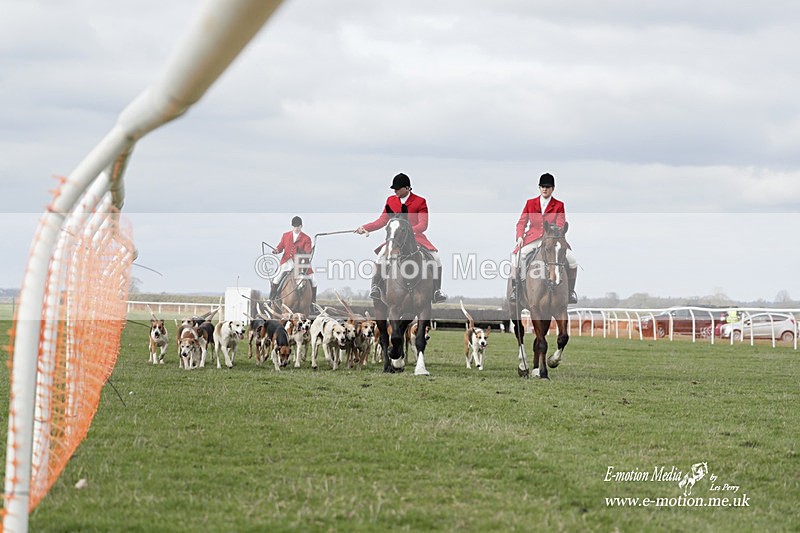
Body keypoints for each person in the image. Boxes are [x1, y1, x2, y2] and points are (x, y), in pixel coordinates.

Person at [355, 173, 447, 304]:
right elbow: (382, 220)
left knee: (436, 258)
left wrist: (409, 232)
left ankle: (437, 291)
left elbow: (423, 225)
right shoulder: (390, 201)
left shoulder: (420, 201)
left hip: (416, 238)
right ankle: (375, 287)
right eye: (394, 188)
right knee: (381, 255)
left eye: (398, 188)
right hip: (396, 239)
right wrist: (365, 228)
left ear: (407, 188)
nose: (395, 191)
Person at [510, 172, 579, 304]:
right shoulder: (530, 203)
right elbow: (521, 222)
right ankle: (516, 289)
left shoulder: (559, 205)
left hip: (552, 241)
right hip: (533, 239)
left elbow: (560, 224)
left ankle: (570, 292)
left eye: (548, 187)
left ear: (553, 189)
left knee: (572, 260)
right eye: (542, 186)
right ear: (539, 188)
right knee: (517, 257)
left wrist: (553, 237)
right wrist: (519, 237)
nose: (545, 189)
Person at [268, 216, 317, 305]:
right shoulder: (285, 235)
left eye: (298, 227)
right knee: (276, 278)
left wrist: (305, 255)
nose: (296, 228)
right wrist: (276, 250)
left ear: (301, 226)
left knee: (314, 280)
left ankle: (313, 302)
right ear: (292, 226)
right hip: (287, 262)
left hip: (301, 263)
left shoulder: (307, 238)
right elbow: (280, 246)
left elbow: (307, 251)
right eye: (294, 227)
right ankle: (271, 299)